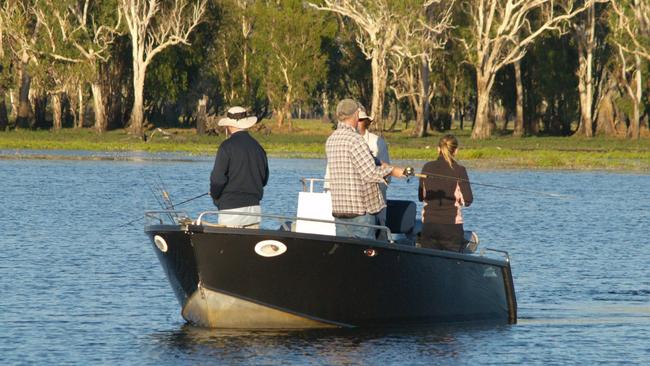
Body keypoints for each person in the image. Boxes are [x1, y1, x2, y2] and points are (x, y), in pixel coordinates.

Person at [325, 98, 409, 239]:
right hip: (360, 212)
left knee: (345, 253)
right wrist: (393, 171)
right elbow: (370, 174)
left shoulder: (331, 140)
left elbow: (357, 165)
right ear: (357, 115)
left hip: (339, 211)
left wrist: (382, 164)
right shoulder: (356, 140)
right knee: (363, 254)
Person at [210, 106, 269, 228]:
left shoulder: (226, 147)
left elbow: (217, 179)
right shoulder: (258, 148)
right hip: (254, 210)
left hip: (230, 210)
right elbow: (264, 179)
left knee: (228, 246)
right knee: (249, 246)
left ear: (228, 125)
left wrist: (215, 197)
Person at [418, 134, 473, 252]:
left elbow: (421, 196)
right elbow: (467, 200)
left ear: (438, 149)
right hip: (451, 227)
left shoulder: (427, 167)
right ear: (456, 151)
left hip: (429, 225)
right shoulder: (459, 170)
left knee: (429, 263)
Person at [356, 106, 391, 236]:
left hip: (374, 201)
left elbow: (387, 174)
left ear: (366, 122)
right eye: (356, 119)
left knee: (379, 233)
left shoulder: (378, 142)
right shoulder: (346, 141)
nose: (357, 122)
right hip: (351, 204)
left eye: (360, 120)